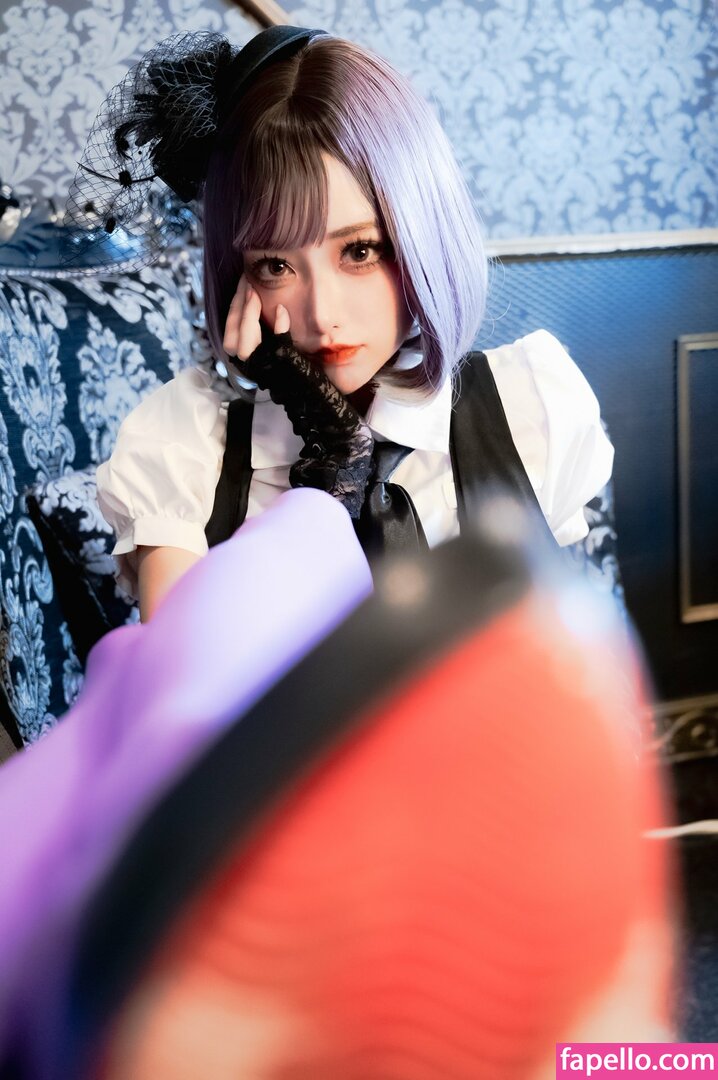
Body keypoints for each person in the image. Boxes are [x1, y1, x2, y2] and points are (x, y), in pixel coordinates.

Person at [67, 25, 613, 621]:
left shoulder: (528, 412)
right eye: (275, 265)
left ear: (421, 236)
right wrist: (329, 474)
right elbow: (183, 677)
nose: (322, 315)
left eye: (359, 251)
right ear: (239, 276)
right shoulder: (189, 448)